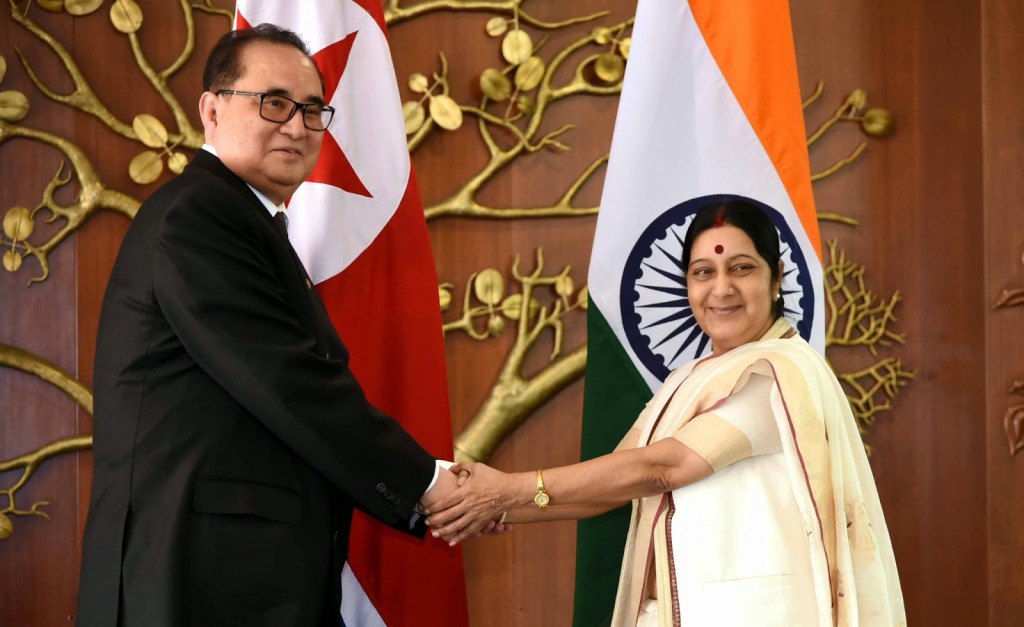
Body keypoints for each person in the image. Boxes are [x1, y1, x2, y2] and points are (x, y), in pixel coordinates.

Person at [76, 24, 474, 627]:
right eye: (275, 102)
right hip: (195, 583)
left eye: (313, 109)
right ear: (211, 108)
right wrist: (427, 484)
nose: (297, 125)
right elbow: (286, 382)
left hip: (236, 580)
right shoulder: (201, 216)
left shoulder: (243, 219)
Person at [428, 200, 906, 626]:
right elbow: (611, 490)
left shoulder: (779, 372)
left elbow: (662, 468)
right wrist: (490, 504)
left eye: (741, 268)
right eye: (703, 272)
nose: (721, 289)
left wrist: (507, 491)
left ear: (776, 277)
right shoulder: (690, 378)